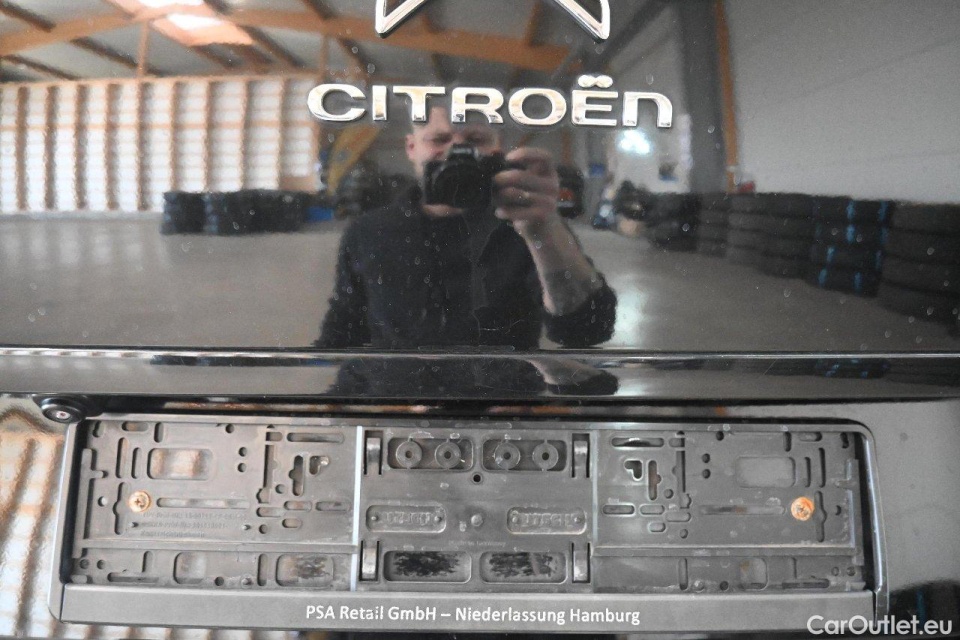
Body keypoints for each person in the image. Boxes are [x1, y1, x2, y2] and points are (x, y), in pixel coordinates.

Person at [315, 106, 617, 351]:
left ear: (497, 150)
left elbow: (587, 330)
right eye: (439, 139)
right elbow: (344, 326)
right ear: (411, 147)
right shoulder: (369, 231)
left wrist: (545, 230)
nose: (456, 150)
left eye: (475, 139)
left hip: (502, 399)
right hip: (396, 398)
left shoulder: (526, 223)